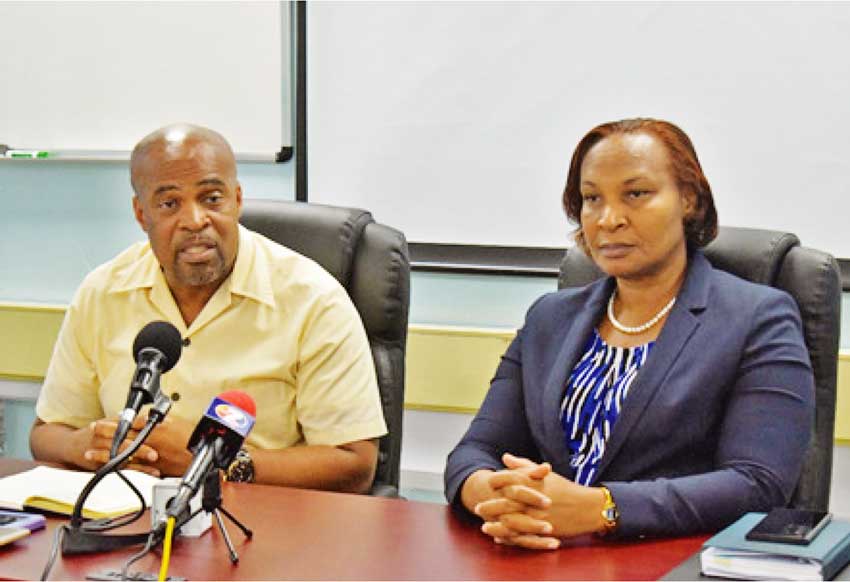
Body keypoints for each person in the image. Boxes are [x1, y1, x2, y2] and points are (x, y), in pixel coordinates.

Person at [444, 118, 814, 549]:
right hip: (548, 557)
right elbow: (474, 452)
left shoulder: (758, 318)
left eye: (636, 194)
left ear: (689, 200)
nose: (608, 219)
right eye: (591, 199)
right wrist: (495, 495)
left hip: (671, 565)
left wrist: (602, 508)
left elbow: (758, 483)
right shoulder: (549, 317)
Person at [30, 124, 387, 493]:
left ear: (237, 200)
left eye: (212, 198)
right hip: (125, 521)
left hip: (260, 527)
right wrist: (85, 445)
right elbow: (47, 433)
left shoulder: (312, 299)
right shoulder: (103, 292)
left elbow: (354, 464)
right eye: (169, 204)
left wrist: (217, 463)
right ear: (141, 214)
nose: (195, 220)